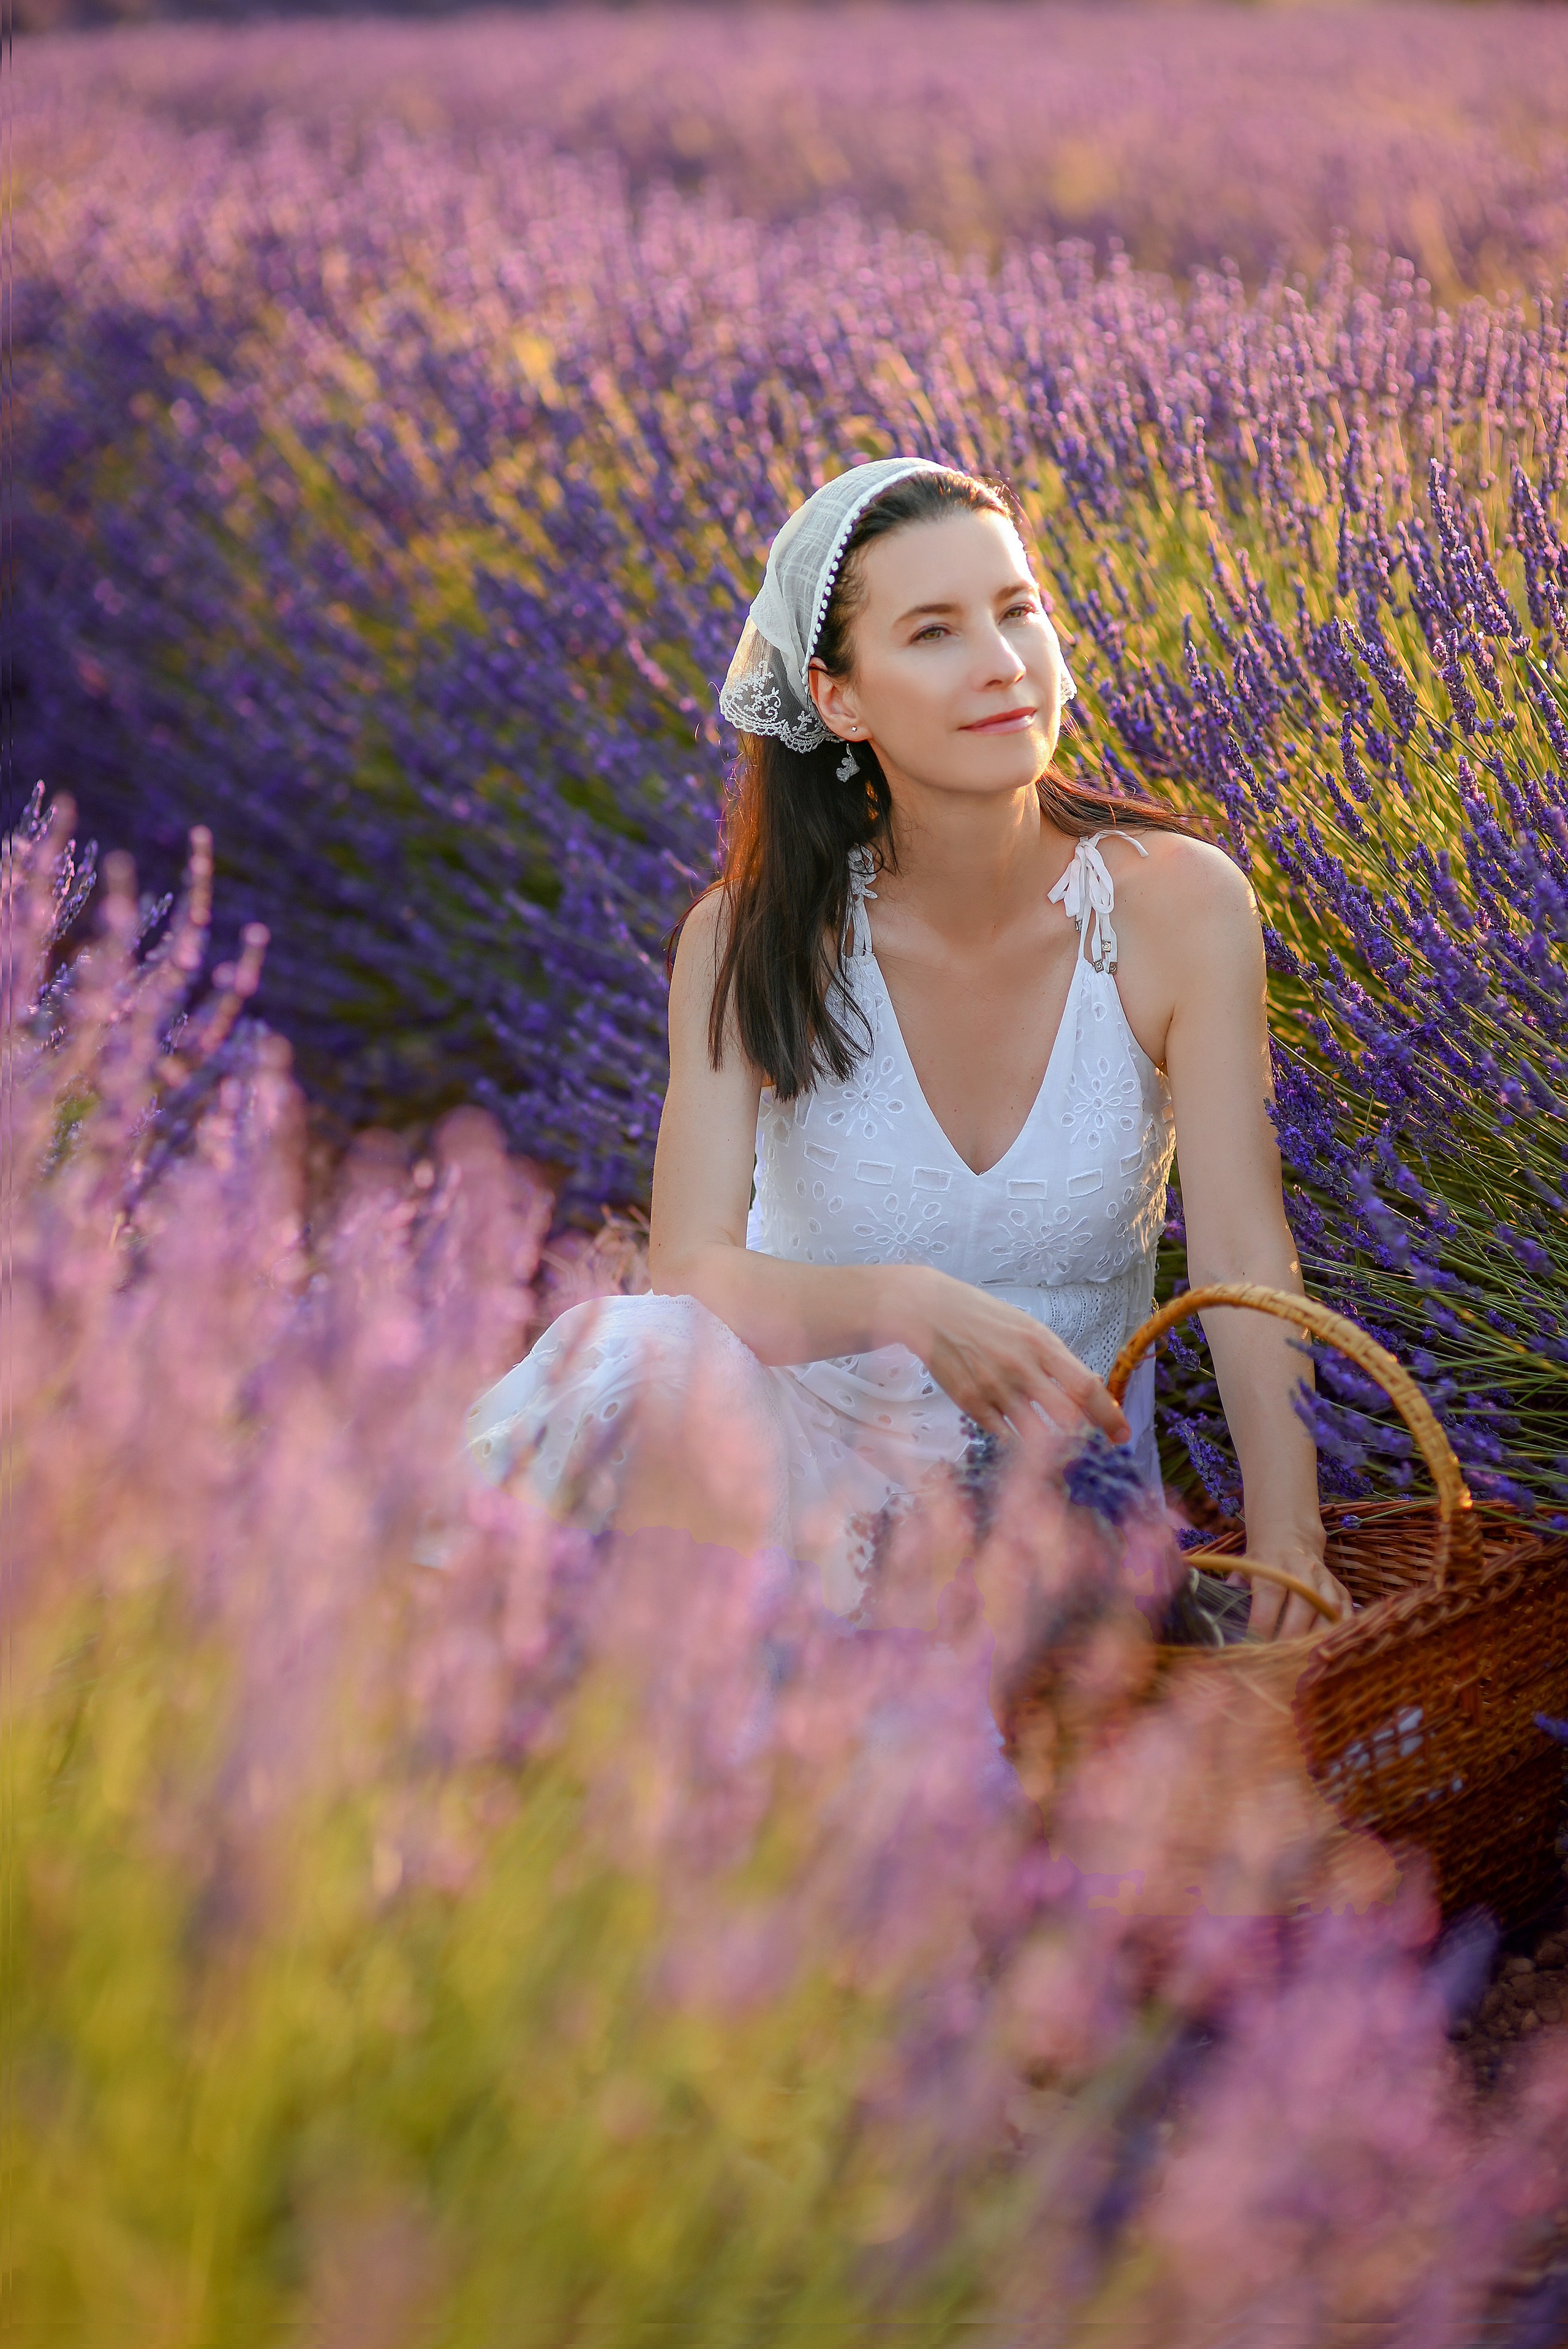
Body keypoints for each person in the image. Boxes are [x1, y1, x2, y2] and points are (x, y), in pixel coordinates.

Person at [468, 458, 1348, 1634]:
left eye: (1017, 608)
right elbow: (693, 1270)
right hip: (782, 1465)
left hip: (1039, 1513)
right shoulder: (748, 936)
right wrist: (907, 1305)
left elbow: (1244, 1257)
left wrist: (1293, 1541)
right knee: (643, 1358)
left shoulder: (1181, 907)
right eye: (934, 631)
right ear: (840, 699)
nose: (1000, 662)